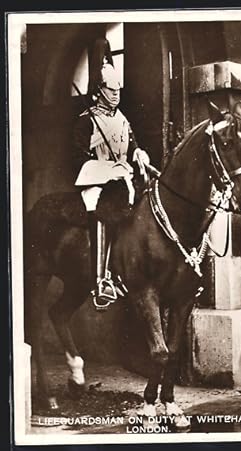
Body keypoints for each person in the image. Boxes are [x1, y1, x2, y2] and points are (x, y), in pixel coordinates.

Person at [73, 61, 150, 308]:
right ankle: (103, 279)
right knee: (105, 210)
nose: (116, 94)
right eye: (111, 89)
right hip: (96, 179)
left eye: (118, 90)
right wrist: (106, 170)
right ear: (99, 90)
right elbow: (76, 157)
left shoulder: (123, 119)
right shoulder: (87, 121)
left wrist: (139, 153)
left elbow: (132, 144)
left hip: (123, 177)